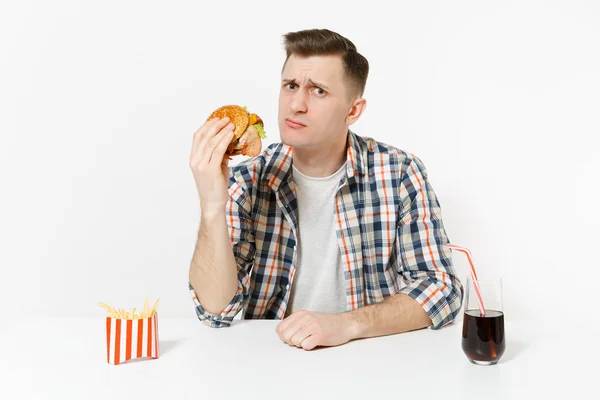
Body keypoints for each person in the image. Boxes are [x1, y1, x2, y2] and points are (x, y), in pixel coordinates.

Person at [188, 29, 463, 351]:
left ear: (353, 111)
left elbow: (440, 290)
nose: (296, 105)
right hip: (270, 358)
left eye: (318, 91)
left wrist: (345, 324)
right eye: (290, 86)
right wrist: (211, 205)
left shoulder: (399, 171)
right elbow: (215, 309)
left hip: (367, 358)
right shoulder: (248, 177)